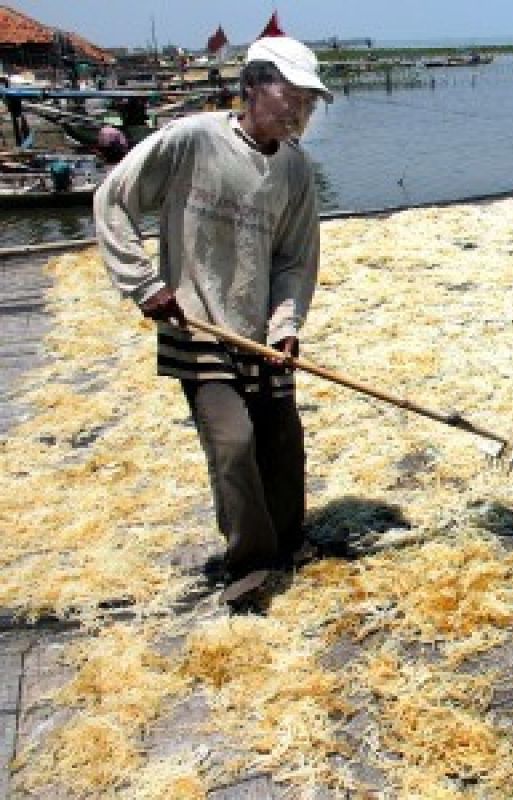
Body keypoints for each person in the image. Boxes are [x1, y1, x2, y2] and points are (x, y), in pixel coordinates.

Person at [93, 36, 333, 606]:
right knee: (232, 442)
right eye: (291, 94)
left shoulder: (295, 169)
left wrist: (286, 324)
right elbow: (112, 199)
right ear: (252, 87)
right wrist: (144, 285)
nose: (300, 109)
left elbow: (296, 259)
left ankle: (288, 543)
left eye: (309, 100)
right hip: (198, 324)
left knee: (282, 441)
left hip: (260, 329)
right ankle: (249, 563)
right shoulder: (193, 140)